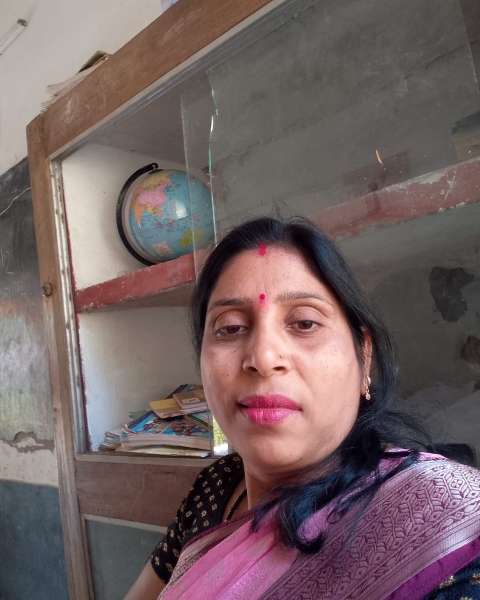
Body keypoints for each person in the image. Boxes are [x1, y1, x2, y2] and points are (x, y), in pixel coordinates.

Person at [126, 217, 480, 600]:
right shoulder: (217, 487)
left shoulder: (442, 525)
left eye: (305, 323)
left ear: (363, 357)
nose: (263, 358)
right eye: (230, 328)